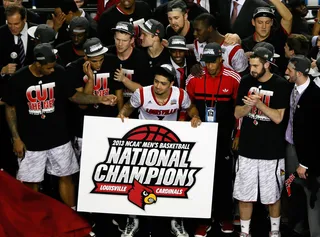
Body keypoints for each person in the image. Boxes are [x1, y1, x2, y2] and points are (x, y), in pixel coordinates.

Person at [2, 43, 117, 209]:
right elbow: (10, 107)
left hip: (59, 138)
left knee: (66, 176)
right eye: (49, 68)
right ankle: (34, 220)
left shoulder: (60, 72)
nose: (52, 70)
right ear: (38, 64)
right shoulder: (19, 79)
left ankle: (72, 216)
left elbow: (74, 96)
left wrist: (99, 99)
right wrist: (16, 138)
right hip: (31, 141)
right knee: (31, 183)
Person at [118, 63, 201, 237]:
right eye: (156, 82)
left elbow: (191, 107)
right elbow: (128, 107)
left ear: (171, 84)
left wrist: (195, 116)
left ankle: (175, 219)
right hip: (144, 143)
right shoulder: (142, 93)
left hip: (169, 142)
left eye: (163, 83)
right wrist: (122, 115)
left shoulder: (180, 95)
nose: (158, 86)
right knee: (136, 181)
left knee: (174, 182)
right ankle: (133, 219)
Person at [233, 46, 291, 237]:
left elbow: (278, 118)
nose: (252, 69)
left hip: (271, 151)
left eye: (256, 65)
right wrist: (248, 107)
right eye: (251, 65)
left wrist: (259, 104)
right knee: (244, 194)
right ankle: (244, 232)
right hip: (248, 149)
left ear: (267, 64)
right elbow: (237, 112)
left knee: (271, 195)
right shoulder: (246, 80)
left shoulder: (281, 84)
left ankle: (274, 232)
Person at [186, 43, 241, 235]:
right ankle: (203, 219)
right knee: (200, 176)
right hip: (200, 135)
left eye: (212, 61)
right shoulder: (194, 78)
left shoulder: (233, 78)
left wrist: (238, 134)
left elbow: (240, 109)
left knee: (224, 178)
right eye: (206, 62)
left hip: (224, 136)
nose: (209, 66)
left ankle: (225, 217)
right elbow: (187, 104)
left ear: (221, 59)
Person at [66, 37, 123, 157]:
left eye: (101, 60)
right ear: (86, 57)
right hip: (85, 125)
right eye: (94, 61)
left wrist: (120, 114)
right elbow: (82, 105)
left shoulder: (113, 61)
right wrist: (91, 79)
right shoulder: (74, 69)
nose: (98, 64)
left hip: (109, 121)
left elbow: (118, 91)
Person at [284, 55, 320, 237]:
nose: (285, 72)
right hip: (291, 148)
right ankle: (297, 227)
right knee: (294, 192)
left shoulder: (315, 96)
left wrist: (305, 163)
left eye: (289, 70)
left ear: (298, 73)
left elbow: (317, 134)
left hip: (308, 157)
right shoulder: (291, 88)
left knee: (311, 195)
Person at [241, 3, 293, 75]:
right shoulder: (245, 44)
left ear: (272, 22)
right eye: (260, 22)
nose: (264, 26)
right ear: (253, 22)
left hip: (277, 83)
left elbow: (288, 18)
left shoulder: (279, 37)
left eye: (267, 22)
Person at [109, 21, 152, 106]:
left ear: (132, 40)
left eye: (124, 40)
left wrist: (124, 79)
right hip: (112, 104)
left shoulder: (141, 58)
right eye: (117, 39)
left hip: (135, 105)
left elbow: (145, 91)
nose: (120, 44)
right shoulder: (108, 54)